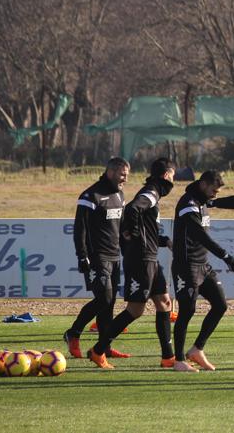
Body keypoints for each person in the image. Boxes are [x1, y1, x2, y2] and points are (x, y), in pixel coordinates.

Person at [88, 158, 179, 369]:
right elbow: (132, 210)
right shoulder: (150, 193)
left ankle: (168, 358)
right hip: (141, 259)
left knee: (164, 303)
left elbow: (145, 228)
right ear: (166, 175)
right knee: (136, 310)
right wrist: (133, 233)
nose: (173, 182)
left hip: (150, 258)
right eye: (173, 177)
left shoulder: (152, 193)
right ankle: (98, 350)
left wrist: (165, 242)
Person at [161, 170, 234, 372]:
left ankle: (197, 349)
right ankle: (179, 360)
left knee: (220, 305)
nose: (215, 194)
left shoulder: (202, 201)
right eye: (214, 190)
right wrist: (225, 255)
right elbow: (200, 236)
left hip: (203, 266)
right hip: (186, 266)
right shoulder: (188, 205)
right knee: (187, 311)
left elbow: (228, 202)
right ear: (203, 184)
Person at [65, 157, 129, 361]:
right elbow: (79, 230)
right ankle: (73, 333)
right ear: (110, 172)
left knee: (109, 304)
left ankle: (104, 348)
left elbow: (122, 227)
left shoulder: (119, 194)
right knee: (104, 298)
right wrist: (82, 255)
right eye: (122, 174)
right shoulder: (90, 195)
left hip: (114, 255)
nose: (124, 179)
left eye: (126, 175)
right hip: (97, 257)